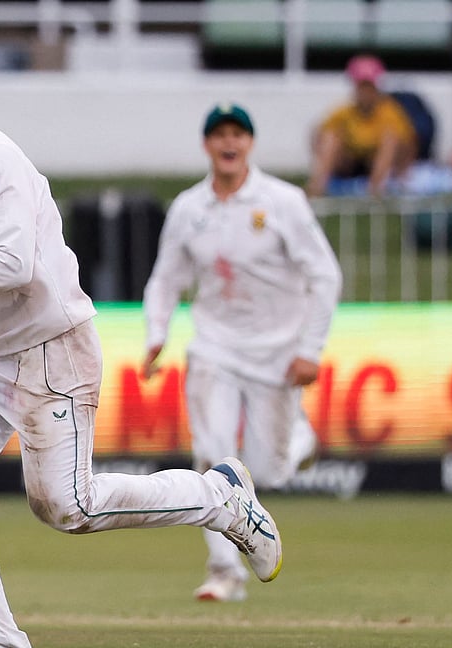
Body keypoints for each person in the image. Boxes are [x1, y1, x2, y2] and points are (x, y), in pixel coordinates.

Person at [0, 28, 282, 648]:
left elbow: (15, 265)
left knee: (65, 507)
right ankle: (0, 646)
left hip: (53, 342)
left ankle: (218, 498)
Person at [142, 103, 342, 602]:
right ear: (206, 144)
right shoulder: (189, 208)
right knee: (213, 459)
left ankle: (301, 438)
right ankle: (223, 572)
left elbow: (325, 275)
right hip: (214, 346)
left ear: (250, 143)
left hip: (278, 352)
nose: (229, 143)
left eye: (238, 134)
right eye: (219, 135)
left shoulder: (283, 201)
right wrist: (155, 333)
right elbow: (166, 278)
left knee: (268, 470)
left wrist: (310, 349)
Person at [306, 54, 417, 198]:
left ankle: (375, 190)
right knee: (331, 136)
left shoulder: (390, 112)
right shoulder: (344, 112)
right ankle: (316, 188)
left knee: (391, 139)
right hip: (351, 164)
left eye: (368, 87)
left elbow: (409, 145)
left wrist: (401, 171)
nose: (365, 92)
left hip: (381, 165)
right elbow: (318, 136)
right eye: (361, 86)